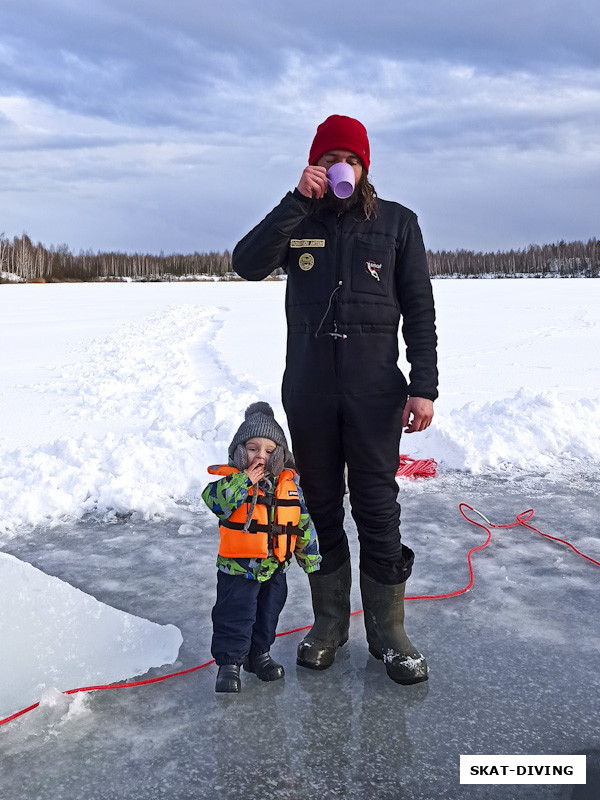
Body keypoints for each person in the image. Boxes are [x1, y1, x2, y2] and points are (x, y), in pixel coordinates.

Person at [231, 115, 438, 685]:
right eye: (327, 160)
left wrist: (424, 385)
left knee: (376, 506)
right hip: (310, 389)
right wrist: (296, 200)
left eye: (347, 159)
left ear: (364, 165)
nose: (337, 168)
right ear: (314, 166)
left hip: (375, 392)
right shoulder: (301, 219)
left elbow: (419, 308)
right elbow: (245, 264)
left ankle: (389, 634)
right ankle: (328, 625)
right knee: (319, 508)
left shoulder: (397, 223)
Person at [202, 401, 321, 693]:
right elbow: (215, 503)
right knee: (235, 615)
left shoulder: (289, 486)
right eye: (253, 448)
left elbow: (302, 522)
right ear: (241, 451)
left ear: (280, 455)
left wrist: (310, 558)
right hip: (237, 570)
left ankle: (260, 655)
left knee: (268, 614)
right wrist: (245, 480)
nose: (261, 456)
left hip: (274, 569)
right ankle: (229, 663)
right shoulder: (231, 482)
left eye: (269, 451)